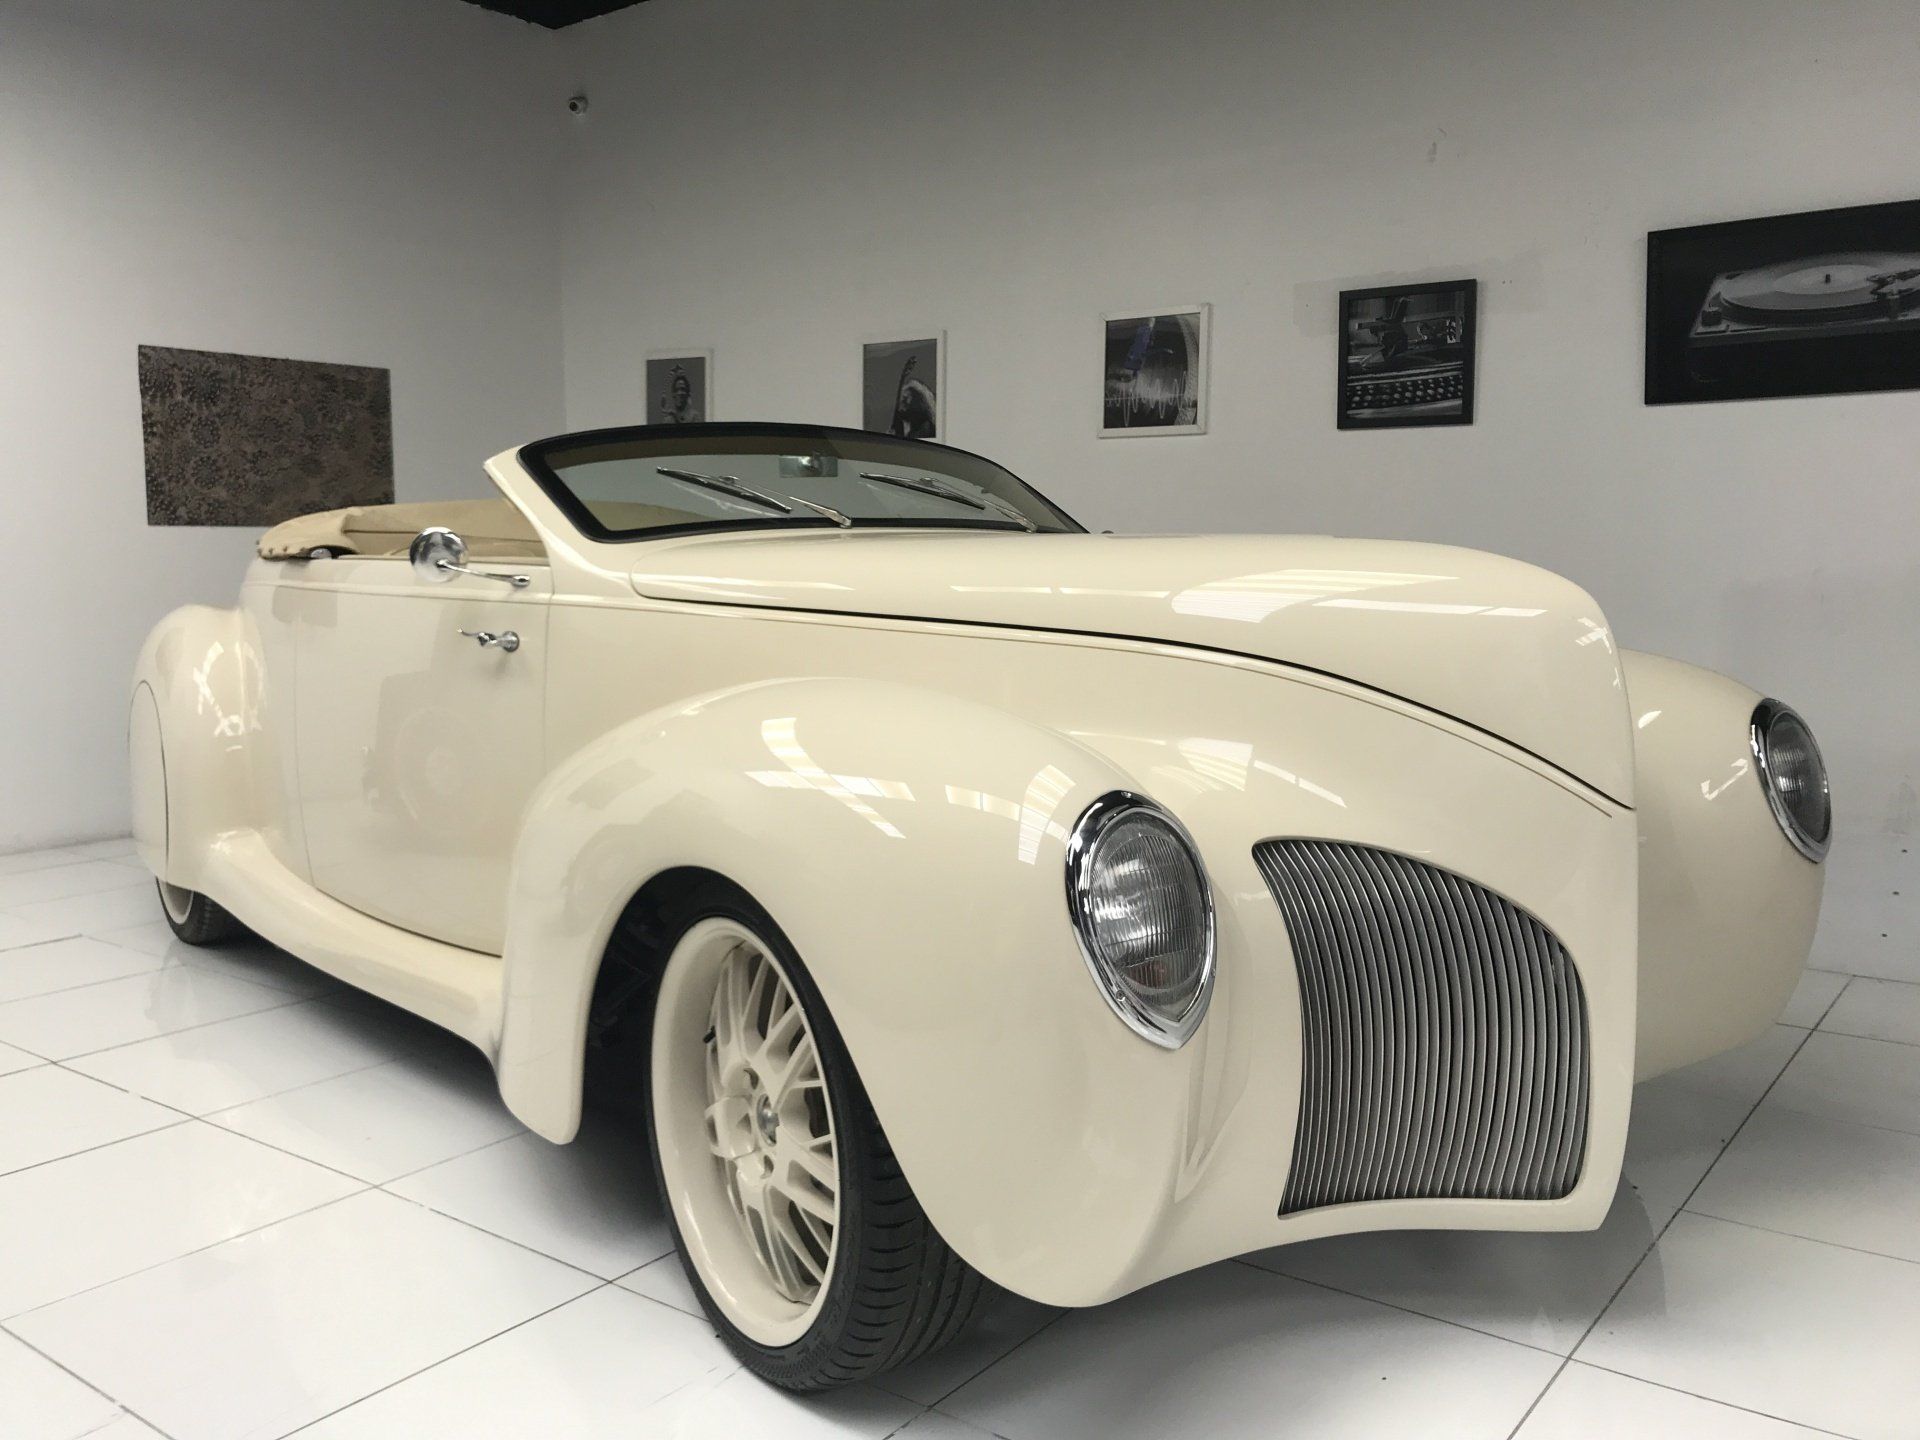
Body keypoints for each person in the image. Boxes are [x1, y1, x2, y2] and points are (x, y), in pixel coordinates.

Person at [888, 354, 937, 438]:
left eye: (907, 398)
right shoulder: (907, 426)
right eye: (903, 398)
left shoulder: (925, 427)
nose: (902, 402)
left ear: (918, 401)